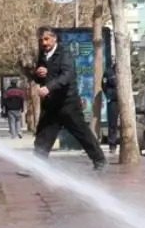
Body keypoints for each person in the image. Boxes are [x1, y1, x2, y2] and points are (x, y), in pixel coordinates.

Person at [27, 26, 106, 172]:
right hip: (51, 105)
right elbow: (39, 76)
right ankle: (36, 165)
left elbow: (67, 76)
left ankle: (99, 160)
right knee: (43, 135)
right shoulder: (42, 55)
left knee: (82, 133)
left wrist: (48, 87)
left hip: (68, 103)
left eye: (46, 39)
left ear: (54, 38)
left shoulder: (65, 54)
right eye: (41, 40)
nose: (44, 43)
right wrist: (38, 73)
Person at [101, 65, 119, 153]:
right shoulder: (108, 72)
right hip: (113, 101)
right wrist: (109, 95)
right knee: (112, 123)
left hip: (124, 100)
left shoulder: (125, 70)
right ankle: (112, 145)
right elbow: (103, 85)